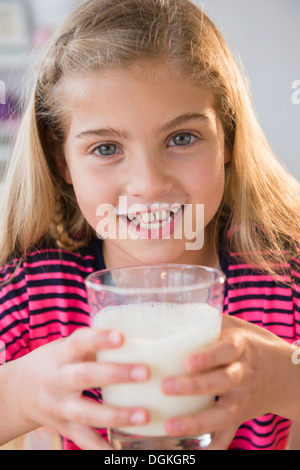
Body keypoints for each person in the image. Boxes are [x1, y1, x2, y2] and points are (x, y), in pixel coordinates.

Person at [0, 0, 299, 451]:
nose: (148, 185)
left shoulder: (283, 276)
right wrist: (19, 394)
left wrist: (287, 378)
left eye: (182, 138)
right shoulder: (31, 288)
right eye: (105, 148)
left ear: (228, 142)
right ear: (62, 162)